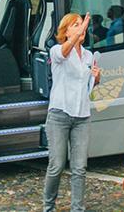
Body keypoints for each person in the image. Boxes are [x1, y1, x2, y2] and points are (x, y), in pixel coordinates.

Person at [43, 13, 101, 212]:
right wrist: (80, 30)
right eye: (75, 25)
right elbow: (66, 51)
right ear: (66, 31)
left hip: (82, 117)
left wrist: (96, 79)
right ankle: (48, 206)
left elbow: (86, 90)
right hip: (59, 115)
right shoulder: (57, 50)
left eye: (82, 25)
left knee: (79, 168)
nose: (81, 29)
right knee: (57, 165)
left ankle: (78, 209)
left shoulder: (88, 55)